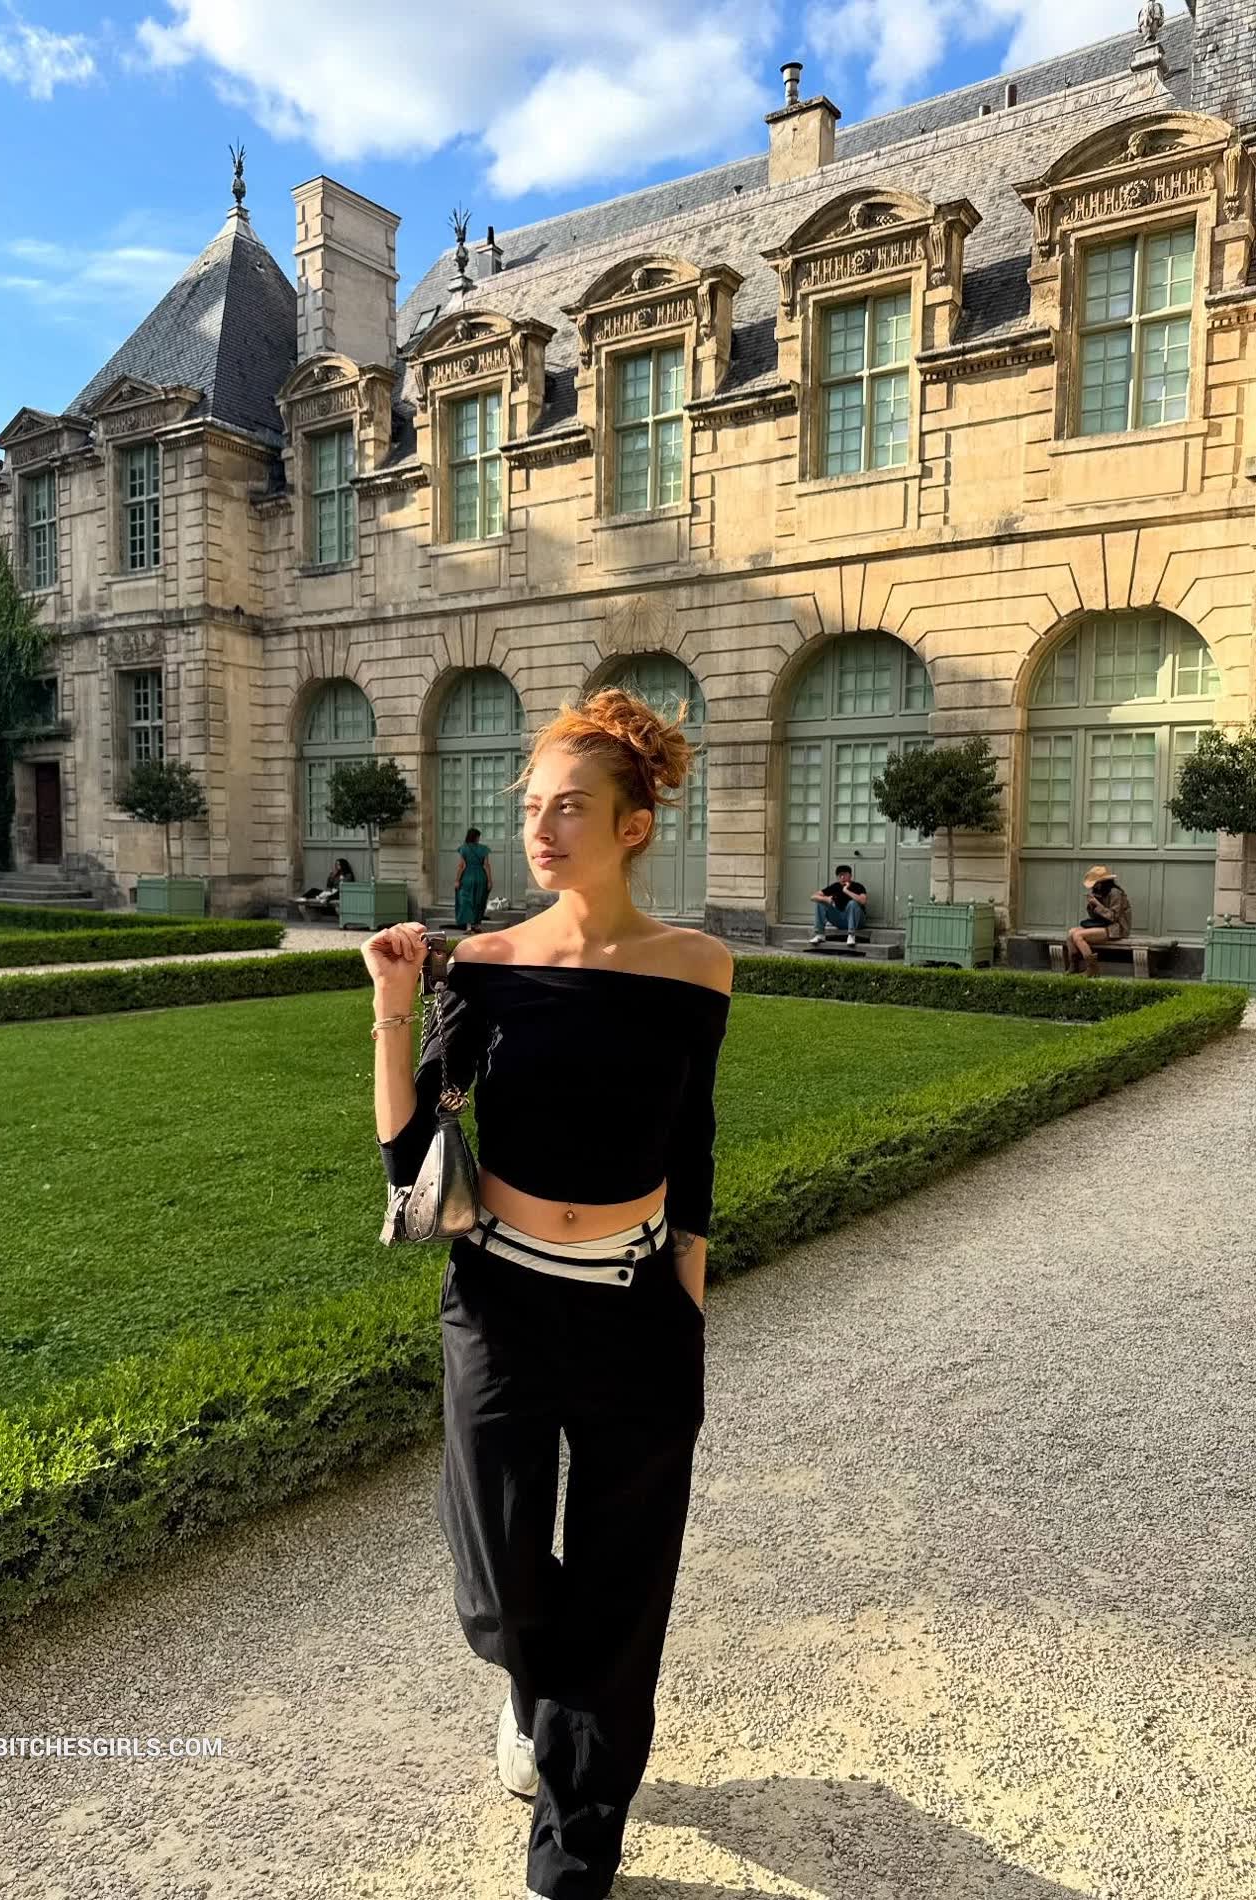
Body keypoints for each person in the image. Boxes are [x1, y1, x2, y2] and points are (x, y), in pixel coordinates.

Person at [363, 686, 734, 1900]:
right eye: (531, 805)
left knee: (622, 1592)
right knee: (504, 1585)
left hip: (638, 1311)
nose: (540, 826)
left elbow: (692, 1146)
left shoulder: (697, 969)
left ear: (633, 825)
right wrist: (393, 1008)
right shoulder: (487, 964)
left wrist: (687, 1307)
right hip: (502, 1307)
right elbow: (408, 1156)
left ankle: (573, 1854)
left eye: (569, 806)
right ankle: (532, 1695)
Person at [1065, 865, 1132, 975]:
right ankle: (1074, 965)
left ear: (1103, 882)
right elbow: (1095, 917)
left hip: (1116, 927)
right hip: (1103, 924)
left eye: (1095, 883)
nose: (1094, 886)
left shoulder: (1115, 893)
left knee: (1078, 936)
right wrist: (1092, 905)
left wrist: (1097, 904)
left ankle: (1092, 969)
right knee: (1071, 933)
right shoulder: (1100, 892)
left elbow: (1113, 917)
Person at [810, 864, 868, 945]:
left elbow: (863, 901)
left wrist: (846, 891)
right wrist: (826, 899)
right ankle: (820, 934)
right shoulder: (835, 886)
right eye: (840, 875)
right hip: (840, 921)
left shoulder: (858, 886)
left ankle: (851, 935)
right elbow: (813, 897)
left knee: (852, 903)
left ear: (850, 876)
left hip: (858, 922)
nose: (842, 877)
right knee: (820, 902)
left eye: (845, 874)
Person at [455, 827, 493, 933]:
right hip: (481, 877)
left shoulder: (464, 848)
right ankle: (476, 925)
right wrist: (489, 880)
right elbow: (486, 865)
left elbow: (461, 866)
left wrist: (457, 880)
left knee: (466, 901)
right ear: (476, 837)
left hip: (467, 877)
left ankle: (468, 926)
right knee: (479, 901)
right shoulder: (484, 849)